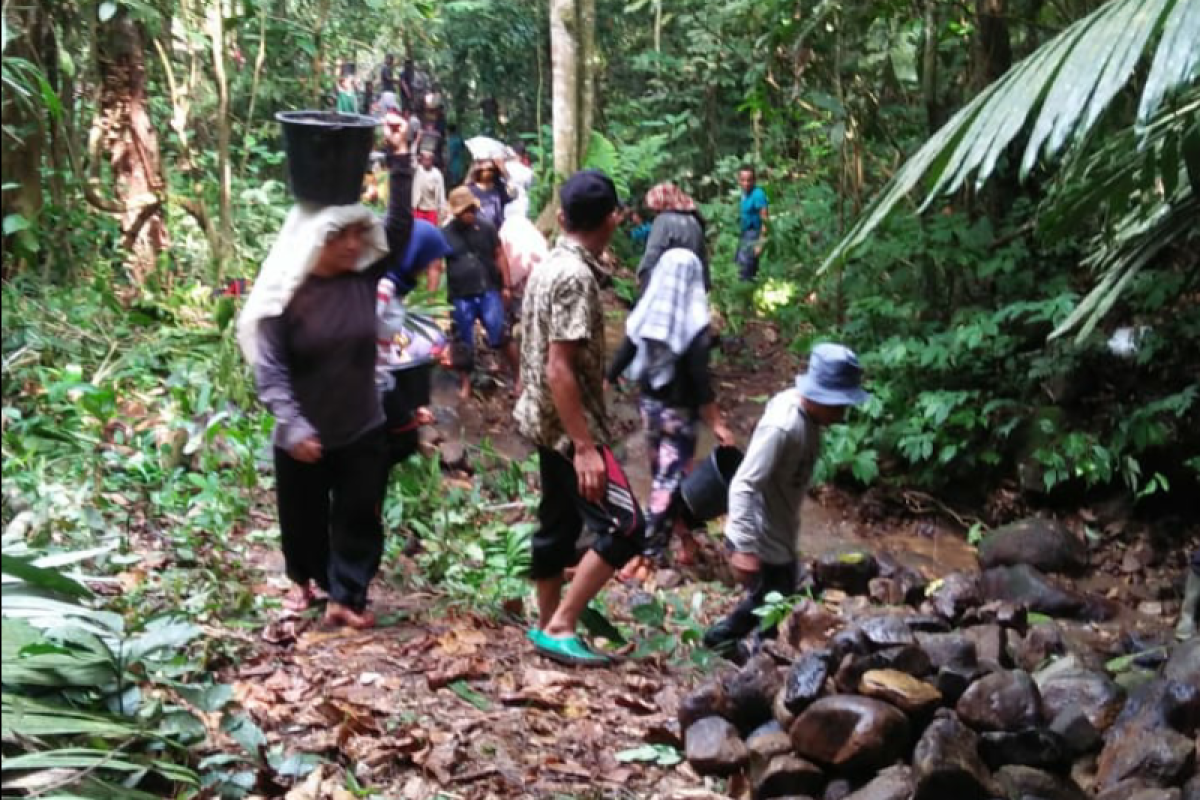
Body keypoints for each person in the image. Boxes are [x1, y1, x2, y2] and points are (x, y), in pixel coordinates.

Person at [238, 120, 415, 630]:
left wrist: (399, 162)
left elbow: (399, 232)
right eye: (347, 236)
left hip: (361, 424)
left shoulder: (362, 278)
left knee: (360, 515)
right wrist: (292, 424)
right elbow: (270, 369)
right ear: (317, 242)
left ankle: (347, 594)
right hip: (304, 433)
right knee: (303, 522)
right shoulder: (285, 296)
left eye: (361, 235)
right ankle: (306, 580)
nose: (358, 243)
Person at [515, 169, 647, 667]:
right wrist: (586, 447)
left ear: (565, 217)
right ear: (611, 219)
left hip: (543, 420)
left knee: (558, 522)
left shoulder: (550, 264)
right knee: (627, 525)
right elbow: (559, 367)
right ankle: (563, 623)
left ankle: (547, 626)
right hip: (571, 428)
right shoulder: (573, 277)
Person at [703, 344, 869, 657]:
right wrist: (744, 547)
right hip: (761, 533)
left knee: (777, 595)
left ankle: (755, 652)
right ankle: (729, 644)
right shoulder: (784, 426)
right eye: (840, 403)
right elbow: (744, 483)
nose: (844, 412)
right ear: (822, 396)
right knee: (772, 597)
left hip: (779, 529)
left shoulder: (809, 417)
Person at [607, 248, 734, 575]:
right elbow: (700, 378)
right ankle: (646, 554)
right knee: (668, 481)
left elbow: (627, 349)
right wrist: (717, 422)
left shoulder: (649, 313)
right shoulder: (693, 325)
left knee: (665, 478)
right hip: (679, 413)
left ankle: (686, 543)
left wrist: (605, 380)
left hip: (650, 406)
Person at [377, 220, 452, 466]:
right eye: (427, 263)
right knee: (402, 439)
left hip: (376, 379)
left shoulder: (394, 285)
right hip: (362, 385)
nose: (426, 272)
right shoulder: (384, 288)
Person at [442, 186, 520, 400]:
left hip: (488, 290)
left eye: (469, 210)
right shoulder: (446, 233)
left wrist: (506, 285)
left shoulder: (486, 228)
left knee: (501, 334)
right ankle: (466, 383)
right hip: (460, 294)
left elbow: (499, 255)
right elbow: (436, 265)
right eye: (462, 212)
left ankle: (518, 378)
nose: (467, 215)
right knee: (462, 341)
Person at [637, 183, 708, 294]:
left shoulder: (663, 221)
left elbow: (653, 254)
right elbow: (702, 257)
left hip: (667, 286)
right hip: (691, 286)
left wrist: (643, 276)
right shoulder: (694, 221)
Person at [736, 165, 769, 282]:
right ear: (739, 180)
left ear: (754, 180)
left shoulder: (758, 194)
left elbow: (765, 219)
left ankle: (746, 292)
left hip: (754, 233)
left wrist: (760, 242)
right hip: (745, 232)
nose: (746, 183)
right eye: (743, 180)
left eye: (749, 180)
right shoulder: (744, 194)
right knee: (740, 264)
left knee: (745, 266)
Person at [467, 159, 511, 230]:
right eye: (484, 170)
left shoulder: (499, 187)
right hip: (476, 229)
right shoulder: (470, 189)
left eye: (490, 169)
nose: (487, 172)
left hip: (496, 229)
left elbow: (513, 194)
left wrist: (504, 171)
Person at [412, 150, 445, 226]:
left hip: (431, 209)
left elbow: (441, 192)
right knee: (418, 229)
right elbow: (411, 158)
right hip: (418, 208)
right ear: (421, 160)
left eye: (428, 159)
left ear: (432, 160)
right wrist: (417, 141)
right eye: (424, 159)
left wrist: (442, 209)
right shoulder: (418, 170)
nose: (426, 161)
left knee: (431, 229)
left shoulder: (437, 174)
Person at [504, 143, 535, 221]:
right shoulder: (528, 171)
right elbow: (531, 187)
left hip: (505, 207)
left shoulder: (503, 168)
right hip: (522, 205)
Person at [1178, 550, 1199, 640]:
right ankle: (1184, 634)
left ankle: (1184, 633)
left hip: (1197, 568)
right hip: (1197, 570)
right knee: (1190, 603)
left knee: (1190, 604)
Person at [446, 124, 467, 188]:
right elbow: (463, 148)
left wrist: (447, 163)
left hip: (452, 165)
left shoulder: (450, 140)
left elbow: (451, 153)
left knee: (453, 184)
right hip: (460, 164)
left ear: (449, 131)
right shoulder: (459, 139)